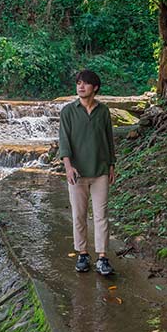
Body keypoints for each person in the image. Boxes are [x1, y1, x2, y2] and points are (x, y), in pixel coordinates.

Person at [58, 70, 116, 276]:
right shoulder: (68, 112)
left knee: (101, 215)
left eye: (85, 84)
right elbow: (64, 141)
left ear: (95, 88)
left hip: (100, 171)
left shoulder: (103, 112)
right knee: (79, 215)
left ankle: (102, 257)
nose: (80, 87)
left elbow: (109, 140)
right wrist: (68, 166)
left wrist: (111, 165)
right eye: (78, 83)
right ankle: (83, 254)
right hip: (77, 173)